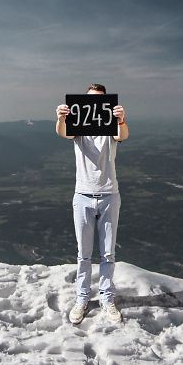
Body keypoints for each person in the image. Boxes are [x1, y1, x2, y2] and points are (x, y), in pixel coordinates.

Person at [55, 83, 128, 324]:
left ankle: (107, 298)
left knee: (108, 254)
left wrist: (121, 120)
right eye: (90, 99)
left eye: (98, 99)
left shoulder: (110, 124)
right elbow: (63, 133)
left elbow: (122, 136)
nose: (94, 103)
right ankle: (82, 298)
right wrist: (61, 118)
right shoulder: (79, 124)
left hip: (109, 195)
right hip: (83, 195)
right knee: (83, 254)